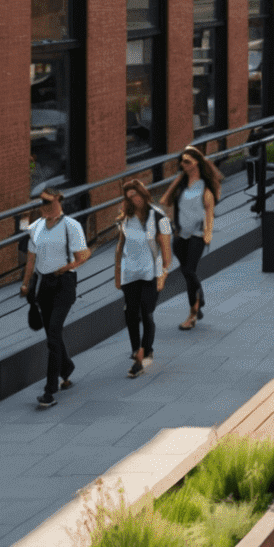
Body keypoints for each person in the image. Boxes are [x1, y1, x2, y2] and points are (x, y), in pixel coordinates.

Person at [19, 186, 91, 409]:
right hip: (44, 286)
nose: (44, 207)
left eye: (48, 203)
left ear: (58, 202)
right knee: (53, 332)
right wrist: (25, 283)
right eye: (41, 203)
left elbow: (84, 255)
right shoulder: (36, 228)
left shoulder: (71, 226)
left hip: (64, 284)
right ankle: (66, 368)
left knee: (52, 333)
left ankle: (50, 391)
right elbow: (31, 259)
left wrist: (66, 267)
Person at [113, 178, 171, 378]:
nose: (133, 200)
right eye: (129, 197)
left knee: (146, 313)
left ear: (143, 194)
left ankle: (144, 352)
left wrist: (163, 273)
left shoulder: (159, 218)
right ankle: (138, 351)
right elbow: (120, 248)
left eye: (135, 195)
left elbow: (166, 252)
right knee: (130, 314)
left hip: (150, 274)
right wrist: (117, 274)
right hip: (130, 274)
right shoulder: (125, 219)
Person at [162, 145, 220, 331]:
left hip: (197, 235)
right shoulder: (181, 184)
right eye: (182, 161)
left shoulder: (205, 187)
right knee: (188, 273)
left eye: (187, 161)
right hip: (180, 235)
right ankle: (199, 300)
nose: (182, 163)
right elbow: (165, 201)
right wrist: (179, 178)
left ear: (196, 163)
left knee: (189, 271)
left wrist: (207, 235)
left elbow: (210, 212)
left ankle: (193, 314)